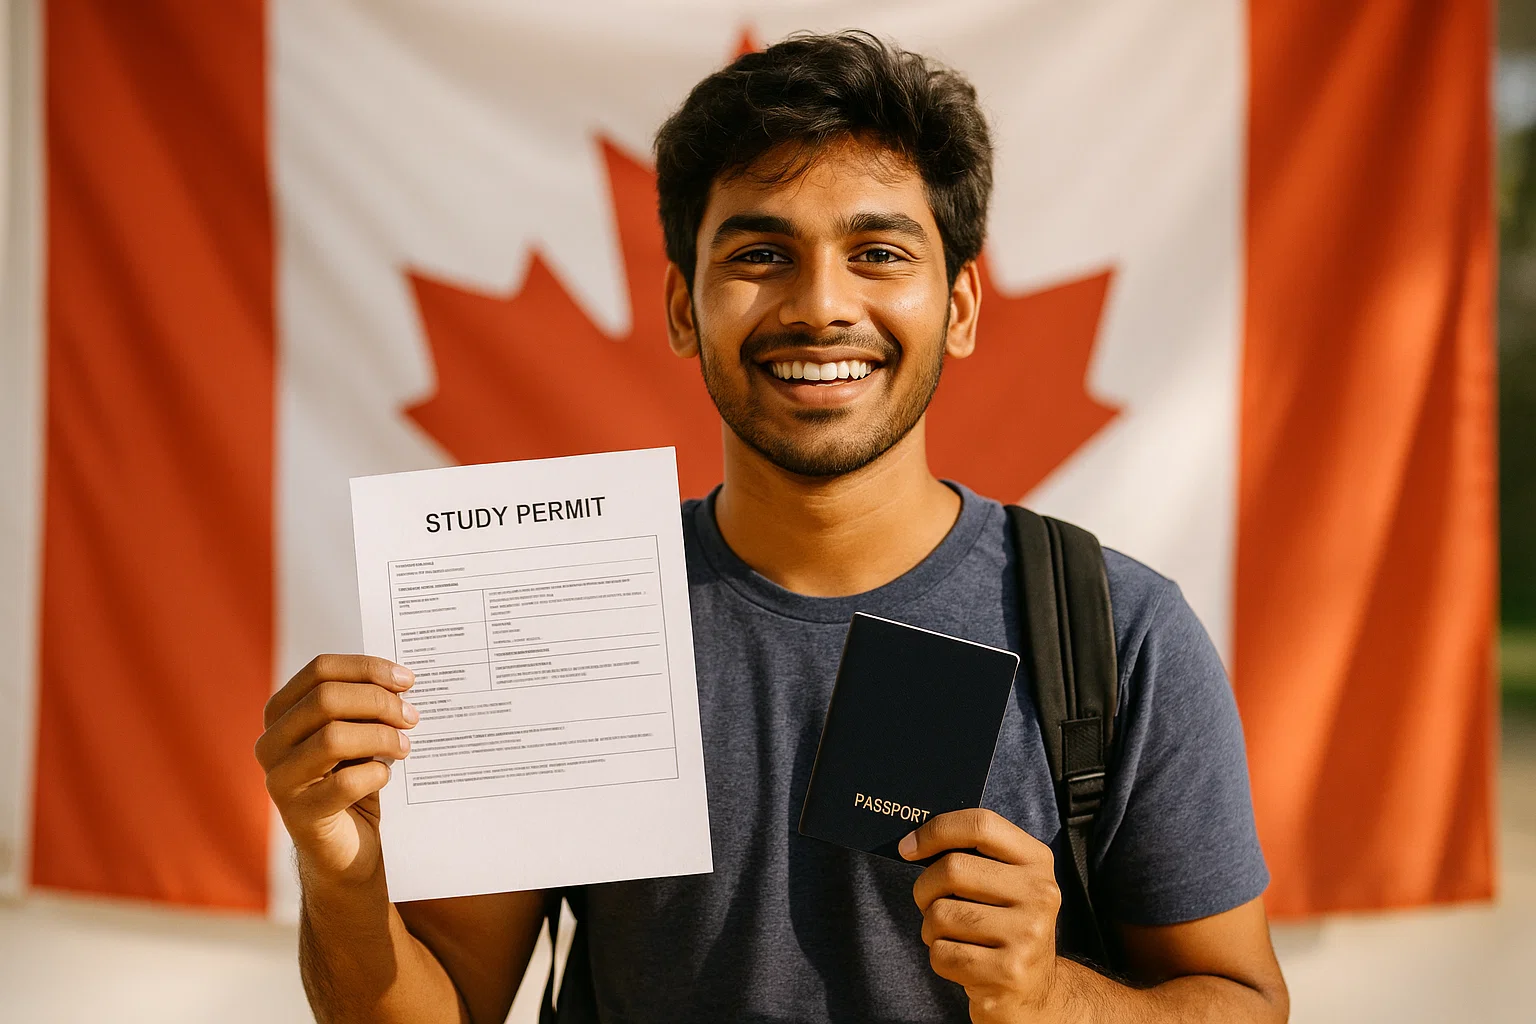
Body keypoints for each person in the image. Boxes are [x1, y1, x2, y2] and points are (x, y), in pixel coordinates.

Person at [255, 31, 1288, 1024]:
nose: (822, 305)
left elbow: (1244, 1003)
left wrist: (1051, 998)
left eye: (878, 250)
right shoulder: (560, 612)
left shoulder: (1117, 632)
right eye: (761, 252)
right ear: (680, 307)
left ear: (962, 305)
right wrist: (341, 874)